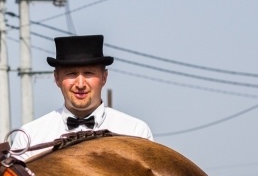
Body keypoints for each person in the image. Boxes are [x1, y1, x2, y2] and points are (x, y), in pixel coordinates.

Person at [12, 34, 153, 161]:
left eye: (88, 73)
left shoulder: (135, 132)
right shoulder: (29, 137)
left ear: (104, 77)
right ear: (56, 78)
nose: (80, 84)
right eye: (71, 73)